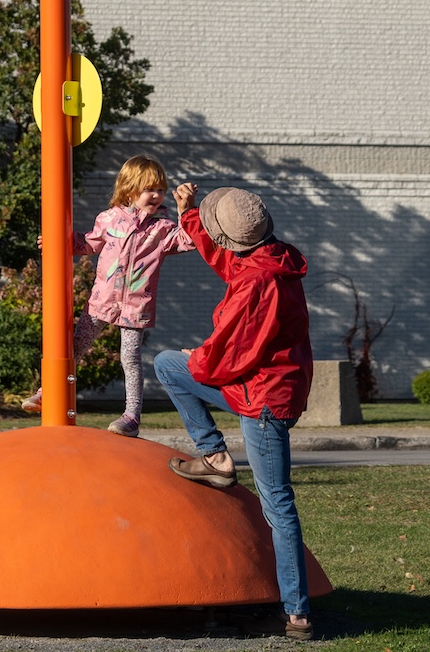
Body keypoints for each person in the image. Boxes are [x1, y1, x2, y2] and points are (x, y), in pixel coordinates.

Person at [154, 182, 314, 643]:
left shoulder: (256, 284)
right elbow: (227, 259)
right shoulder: (271, 258)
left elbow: (232, 351)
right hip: (272, 389)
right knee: (169, 364)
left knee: (278, 505)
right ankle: (216, 458)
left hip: (263, 398)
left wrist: (199, 358)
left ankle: (297, 615)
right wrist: (188, 215)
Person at [21, 155, 194, 436]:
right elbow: (89, 243)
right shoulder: (110, 218)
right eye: (149, 189)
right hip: (103, 300)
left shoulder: (162, 229)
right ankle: (48, 393)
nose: (156, 195)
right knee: (74, 346)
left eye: (160, 190)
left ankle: (131, 417)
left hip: (136, 305)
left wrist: (186, 210)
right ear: (129, 189)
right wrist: (56, 240)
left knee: (130, 358)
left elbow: (188, 241)